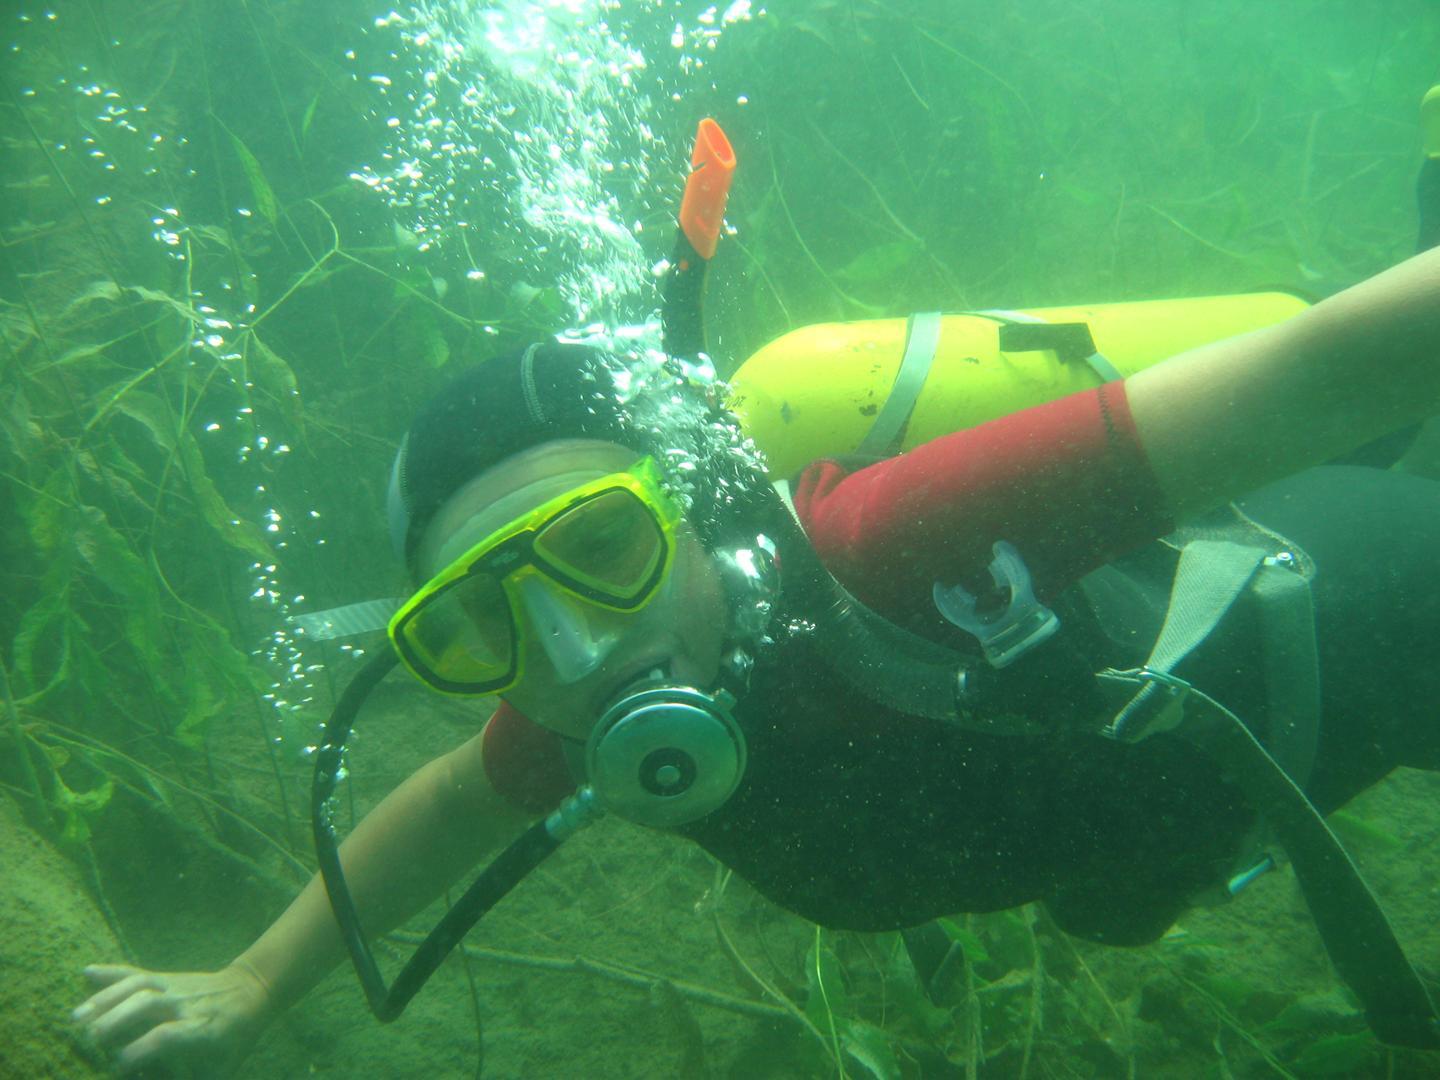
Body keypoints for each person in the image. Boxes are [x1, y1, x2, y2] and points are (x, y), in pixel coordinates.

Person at [75, 134, 1440, 1076]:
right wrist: (252, 983)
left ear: (692, 514)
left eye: (602, 545)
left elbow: (1320, 374)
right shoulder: (570, 706)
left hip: (1378, 611)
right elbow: (442, 807)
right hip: (1241, 788)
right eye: (479, 623)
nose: (573, 644)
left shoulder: (893, 544)